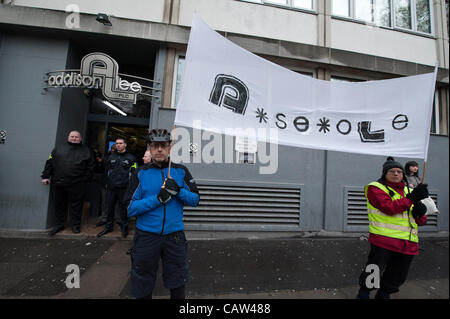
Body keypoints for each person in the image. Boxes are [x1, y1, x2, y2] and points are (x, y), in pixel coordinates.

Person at [127, 128, 200, 299]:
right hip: (146, 236)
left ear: (169, 148)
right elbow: (130, 208)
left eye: (163, 146)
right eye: (155, 146)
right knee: (142, 282)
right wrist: (157, 199)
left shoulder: (180, 171)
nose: (159, 149)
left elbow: (195, 200)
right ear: (150, 149)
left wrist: (178, 190)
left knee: (178, 281)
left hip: (174, 237)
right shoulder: (140, 173)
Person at [356, 157, 429, 299]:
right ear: (385, 173)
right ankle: (364, 294)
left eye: (399, 171)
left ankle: (384, 295)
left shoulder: (410, 191)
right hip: (383, 240)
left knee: (397, 275)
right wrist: (412, 199)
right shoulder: (376, 188)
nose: (396, 174)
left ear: (403, 174)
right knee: (374, 271)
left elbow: (420, 221)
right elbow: (388, 208)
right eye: (392, 171)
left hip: (408, 243)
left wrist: (420, 212)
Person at [41, 130, 93, 236]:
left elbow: (91, 167)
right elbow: (50, 162)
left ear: (80, 139)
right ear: (68, 137)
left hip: (78, 183)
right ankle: (59, 225)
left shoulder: (87, 151)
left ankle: (75, 226)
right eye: (72, 136)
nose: (74, 138)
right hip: (59, 182)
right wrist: (45, 176)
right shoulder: (57, 149)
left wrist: (85, 179)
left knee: (76, 206)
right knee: (60, 205)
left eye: (76, 137)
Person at [97, 138, 137, 238]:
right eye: (117, 143)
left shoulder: (131, 158)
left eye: (120, 143)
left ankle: (124, 228)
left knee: (123, 209)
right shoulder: (110, 157)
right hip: (111, 188)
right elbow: (106, 172)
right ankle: (108, 227)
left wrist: (131, 187)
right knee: (109, 208)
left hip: (124, 188)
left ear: (125, 145)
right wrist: (106, 184)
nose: (118, 145)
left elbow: (134, 173)